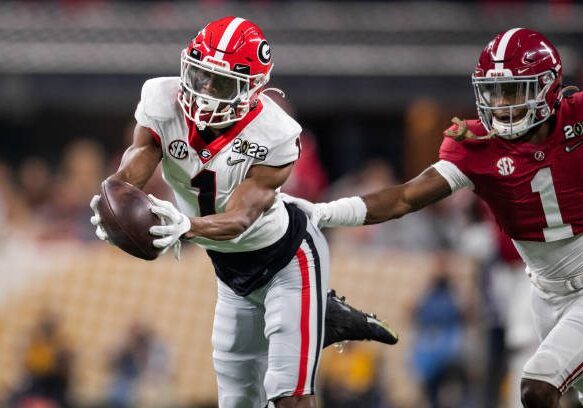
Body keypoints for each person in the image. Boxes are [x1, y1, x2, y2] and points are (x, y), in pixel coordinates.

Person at [89, 16, 397, 408]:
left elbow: (240, 218)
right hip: (231, 272)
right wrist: (114, 193)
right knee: (237, 401)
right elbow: (139, 159)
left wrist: (186, 226)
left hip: (288, 259)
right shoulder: (160, 100)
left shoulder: (275, 134)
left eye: (222, 84)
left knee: (289, 397)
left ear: (253, 89)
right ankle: (325, 316)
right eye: (200, 76)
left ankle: (319, 310)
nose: (204, 92)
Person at [287, 28, 583, 408]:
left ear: (548, 87)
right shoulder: (476, 147)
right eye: (495, 93)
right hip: (544, 290)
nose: (502, 104)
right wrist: (321, 212)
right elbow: (405, 197)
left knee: (538, 387)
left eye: (513, 91)